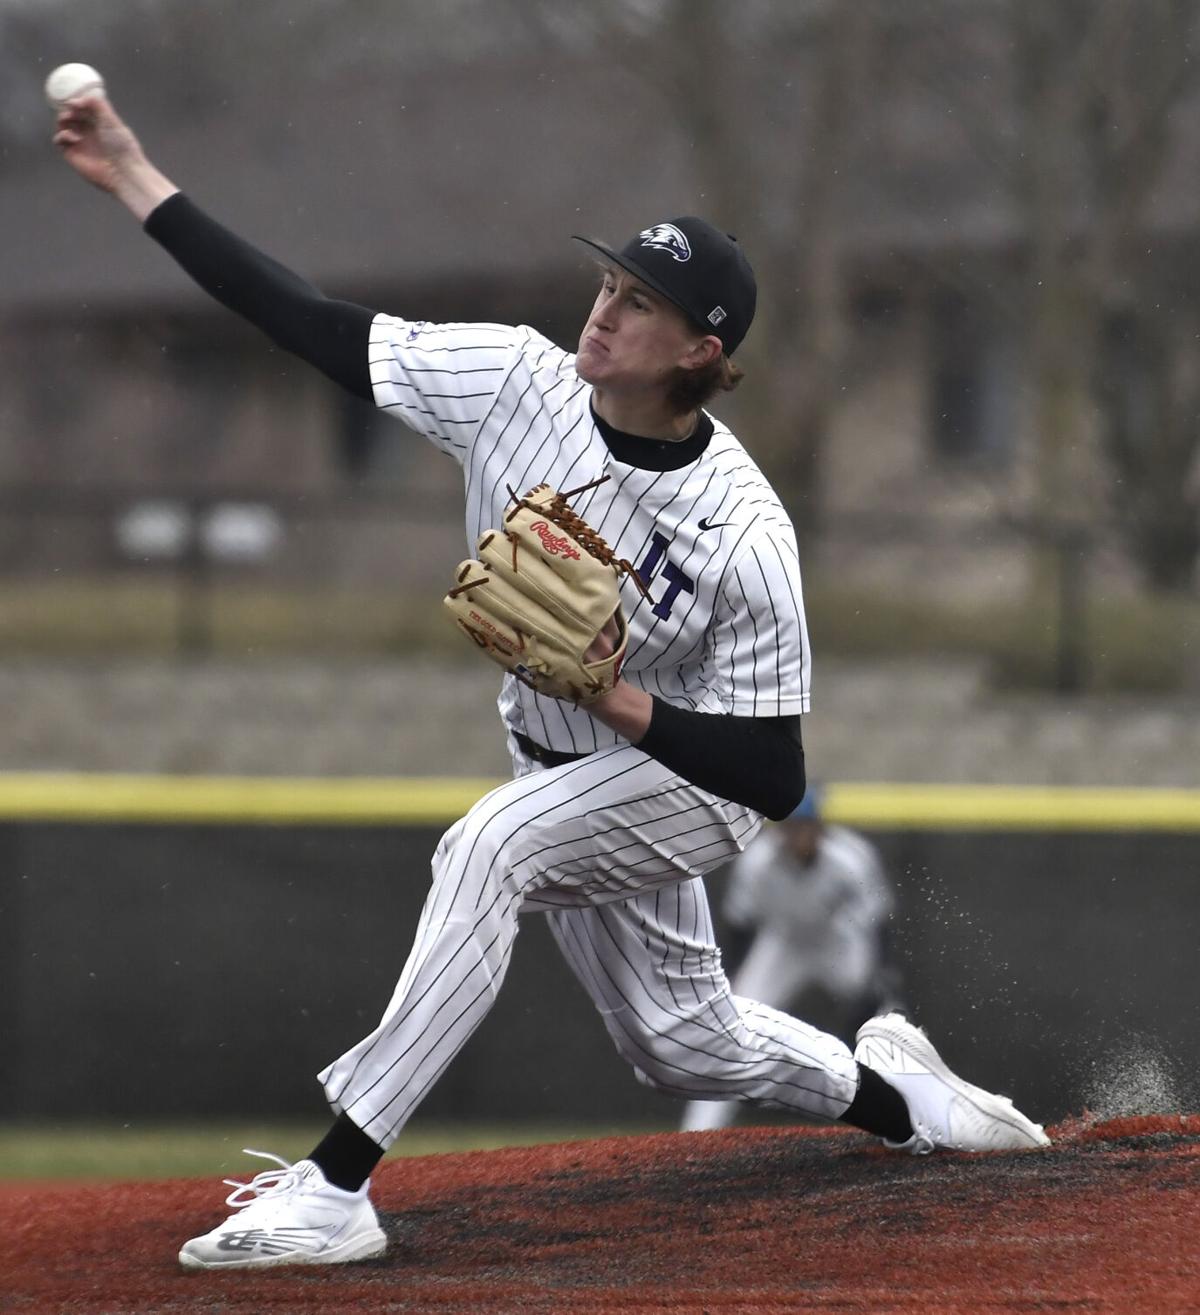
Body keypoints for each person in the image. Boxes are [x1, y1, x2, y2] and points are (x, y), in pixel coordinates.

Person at [53, 89, 1049, 1273]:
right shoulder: (516, 384)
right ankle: (899, 1098)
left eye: (642, 304)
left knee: (490, 850)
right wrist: (137, 181)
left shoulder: (741, 532)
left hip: (691, 774)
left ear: (702, 352)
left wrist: (617, 696)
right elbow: (309, 322)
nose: (606, 312)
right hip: (559, 759)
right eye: (611, 286)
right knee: (685, 1042)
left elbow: (777, 774)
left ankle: (334, 1183)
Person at [680, 786, 906, 1132]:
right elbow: (740, 925)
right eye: (791, 826)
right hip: (782, 944)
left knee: (887, 1012)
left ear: (820, 826)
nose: (799, 834)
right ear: (780, 830)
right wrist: (730, 978)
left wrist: (880, 977)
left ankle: (909, 1113)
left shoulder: (851, 857)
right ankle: (698, 1133)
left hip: (837, 941)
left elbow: (878, 922)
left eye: (806, 825)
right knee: (726, 1024)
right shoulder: (757, 863)